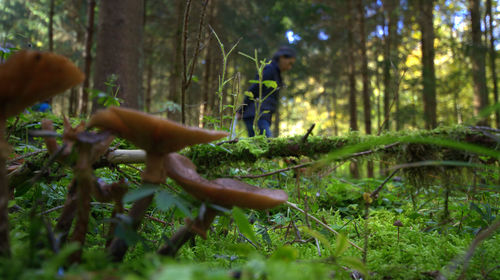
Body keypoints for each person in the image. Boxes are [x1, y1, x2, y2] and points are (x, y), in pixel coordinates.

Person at [237, 46, 296, 137]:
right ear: (282, 57)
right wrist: (241, 111)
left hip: (262, 115)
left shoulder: (276, 73)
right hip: (256, 114)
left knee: (259, 147)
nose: (290, 67)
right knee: (266, 145)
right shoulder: (269, 69)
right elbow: (255, 88)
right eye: (290, 63)